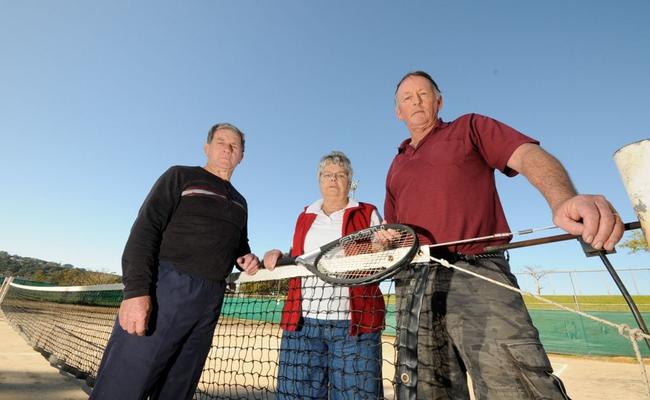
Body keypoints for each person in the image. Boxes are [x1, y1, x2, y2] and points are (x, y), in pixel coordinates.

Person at [385, 71, 624, 399]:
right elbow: (394, 230)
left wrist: (563, 199)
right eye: (407, 98)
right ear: (398, 111)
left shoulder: (469, 127)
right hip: (415, 287)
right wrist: (384, 241)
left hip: (478, 273)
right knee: (425, 391)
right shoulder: (396, 165)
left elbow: (526, 154)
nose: (416, 101)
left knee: (513, 386)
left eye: (423, 94)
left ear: (439, 101)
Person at [90, 123, 260, 400]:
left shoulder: (241, 202)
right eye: (220, 141)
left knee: (178, 387)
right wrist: (135, 292)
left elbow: (240, 246)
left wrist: (246, 258)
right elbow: (145, 229)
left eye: (235, 145)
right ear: (207, 148)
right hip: (166, 287)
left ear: (241, 155)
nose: (227, 148)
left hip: (211, 298)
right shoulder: (181, 175)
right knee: (125, 383)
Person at [264, 151, 385, 400]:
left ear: (349, 181)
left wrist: (379, 247)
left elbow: (381, 256)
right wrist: (280, 254)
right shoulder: (305, 215)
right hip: (303, 325)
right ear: (319, 180)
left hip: (355, 327)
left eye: (340, 175)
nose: (333, 179)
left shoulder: (367, 212)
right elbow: (300, 256)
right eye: (328, 174)